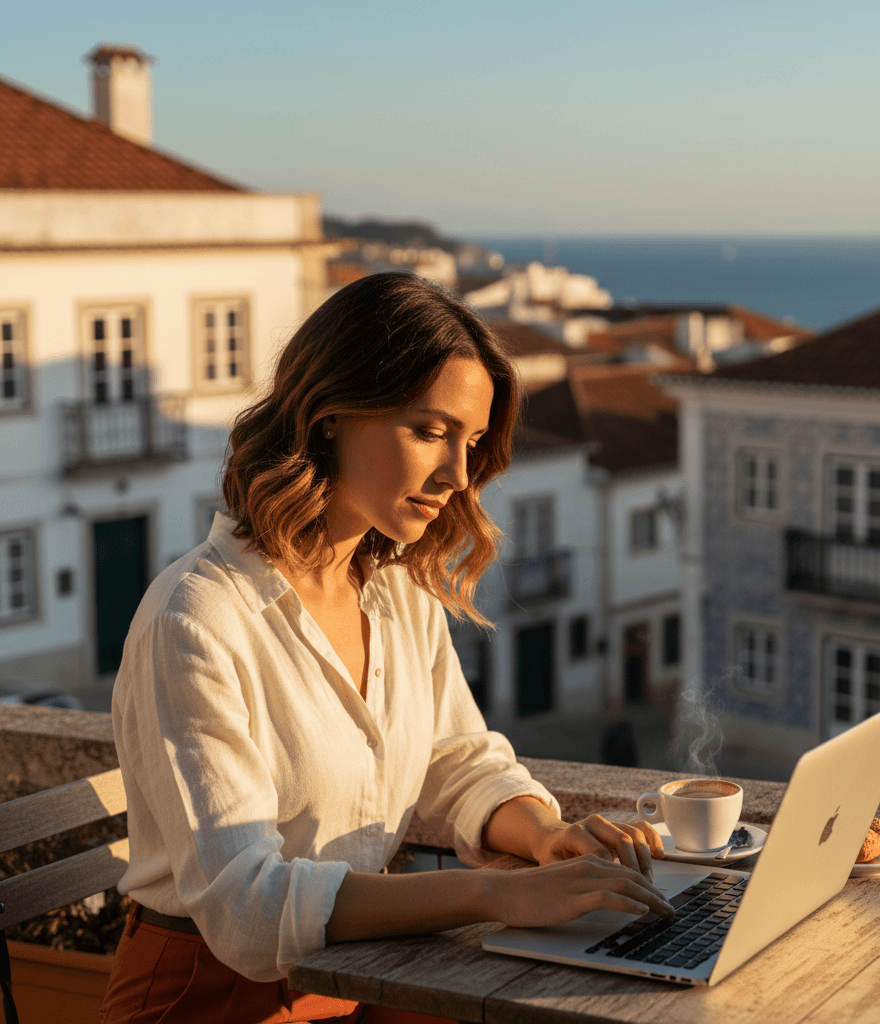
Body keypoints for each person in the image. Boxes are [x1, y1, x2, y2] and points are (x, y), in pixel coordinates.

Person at [100, 273, 671, 1024]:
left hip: (361, 977)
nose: (458, 476)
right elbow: (246, 910)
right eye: (430, 431)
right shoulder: (197, 617)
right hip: (210, 997)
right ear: (332, 415)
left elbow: (454, 759)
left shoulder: (397, 592)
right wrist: (495, 892)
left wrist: (543, 835)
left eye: (470, 443)